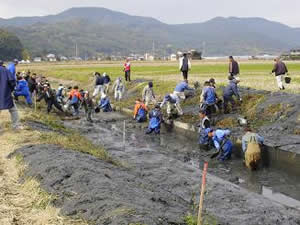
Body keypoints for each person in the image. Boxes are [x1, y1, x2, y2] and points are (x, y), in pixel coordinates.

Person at [0, 60, 20, 130]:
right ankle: (16, 126)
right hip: (5, 93)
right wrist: (10, 90)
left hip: (4, 93)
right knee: (13, 110)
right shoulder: (5, 70)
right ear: (2, 64)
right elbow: (12, 81)